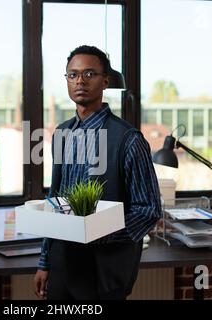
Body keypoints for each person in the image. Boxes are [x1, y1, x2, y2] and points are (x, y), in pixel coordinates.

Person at [33, 45, 162, 300]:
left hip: (104, 268)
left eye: (89, 74)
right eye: (72, 74)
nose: (80, 80)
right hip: (62, 262)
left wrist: (99, 232)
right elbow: (56, 198)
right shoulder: (61, 134)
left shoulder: (128, 139)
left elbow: (148, 210)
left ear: (105, 81)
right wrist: (44, 261)